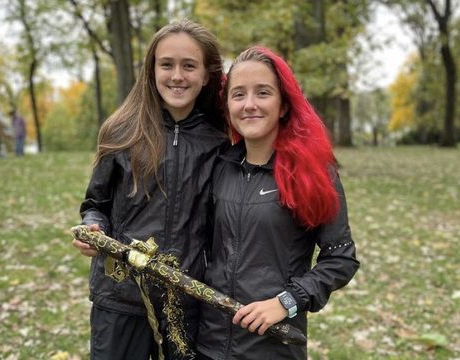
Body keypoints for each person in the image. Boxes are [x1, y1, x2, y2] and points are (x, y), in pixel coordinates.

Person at [72, 19, 229, 360]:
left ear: (206, 75)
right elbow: (95, 202)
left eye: (189, 66)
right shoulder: (120, 131)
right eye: (166, 65)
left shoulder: (220, 142)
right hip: (120, 299)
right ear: (151, 69)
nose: (177, 76)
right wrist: (93, 227)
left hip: (184, 300)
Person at [196, 46, 360, 360]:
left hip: (273, 347)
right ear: (228, 105)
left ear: (283, 105)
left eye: (263, 93)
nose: (250, 105)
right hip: (209, 343)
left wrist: (286, 301)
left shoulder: (314, 174)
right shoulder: (218, 168)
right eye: (239, 94)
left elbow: (340, 260)